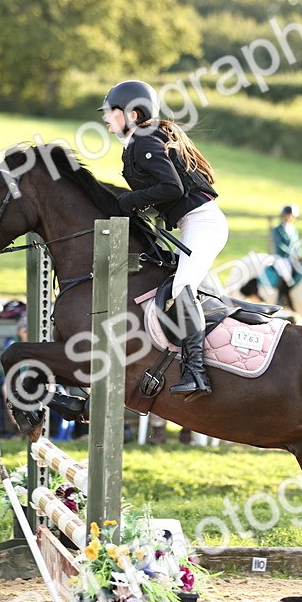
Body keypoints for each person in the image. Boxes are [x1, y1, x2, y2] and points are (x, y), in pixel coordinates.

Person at [101, 79, 227, 401]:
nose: (105, 118)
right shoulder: (138, 142)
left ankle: (197, 371)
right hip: (191, 223)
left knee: (183, 287)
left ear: (131, 113)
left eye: (110, 112)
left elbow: (173, 188)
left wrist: (132, 200)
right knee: (176, 285)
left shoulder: (144, 141)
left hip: (203, 222)